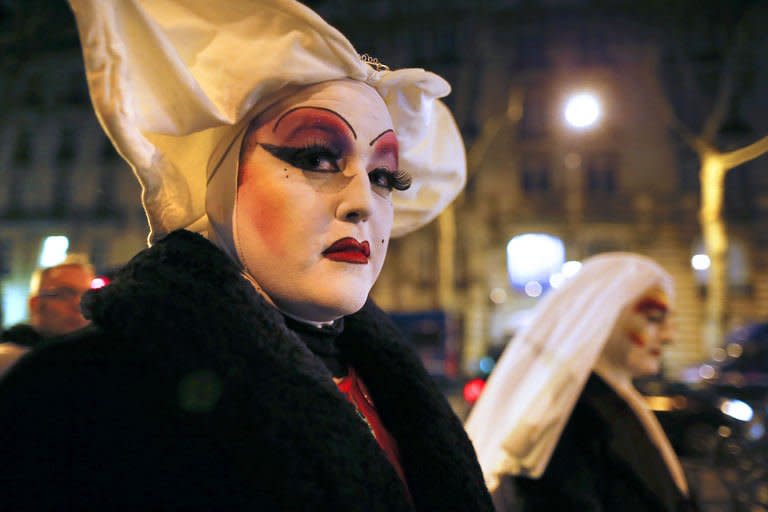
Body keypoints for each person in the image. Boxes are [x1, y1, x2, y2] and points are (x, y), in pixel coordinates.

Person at [0, 1, 492, 510]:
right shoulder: (81, 400)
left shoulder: (401, 393)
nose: (363, 202)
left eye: (384, 176)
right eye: (317, 158)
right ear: (220, 182)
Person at [465, 253, 699, 511]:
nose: (670, 336)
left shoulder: (612, 398)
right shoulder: (571, 413)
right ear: (604, 316)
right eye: (653, 318)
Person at [0, 254, 94, 375]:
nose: (79, 305)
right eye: (65, 293)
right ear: (35, 304)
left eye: (87, 295)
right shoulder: (9, 361)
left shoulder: (98, 362)